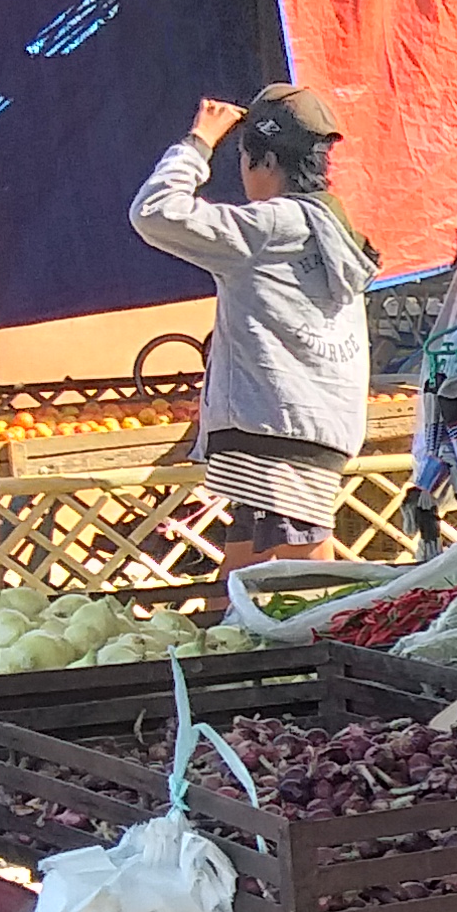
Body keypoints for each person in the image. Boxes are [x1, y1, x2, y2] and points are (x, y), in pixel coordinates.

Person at [132, 83, 375, 559]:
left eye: (244, 160)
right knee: (243, 593)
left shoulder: (268, 227)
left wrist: (199, 141)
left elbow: (155, 212)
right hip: (315, 428)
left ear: (263, 162)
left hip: (272, 431)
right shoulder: (333, 229)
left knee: (299, 590)